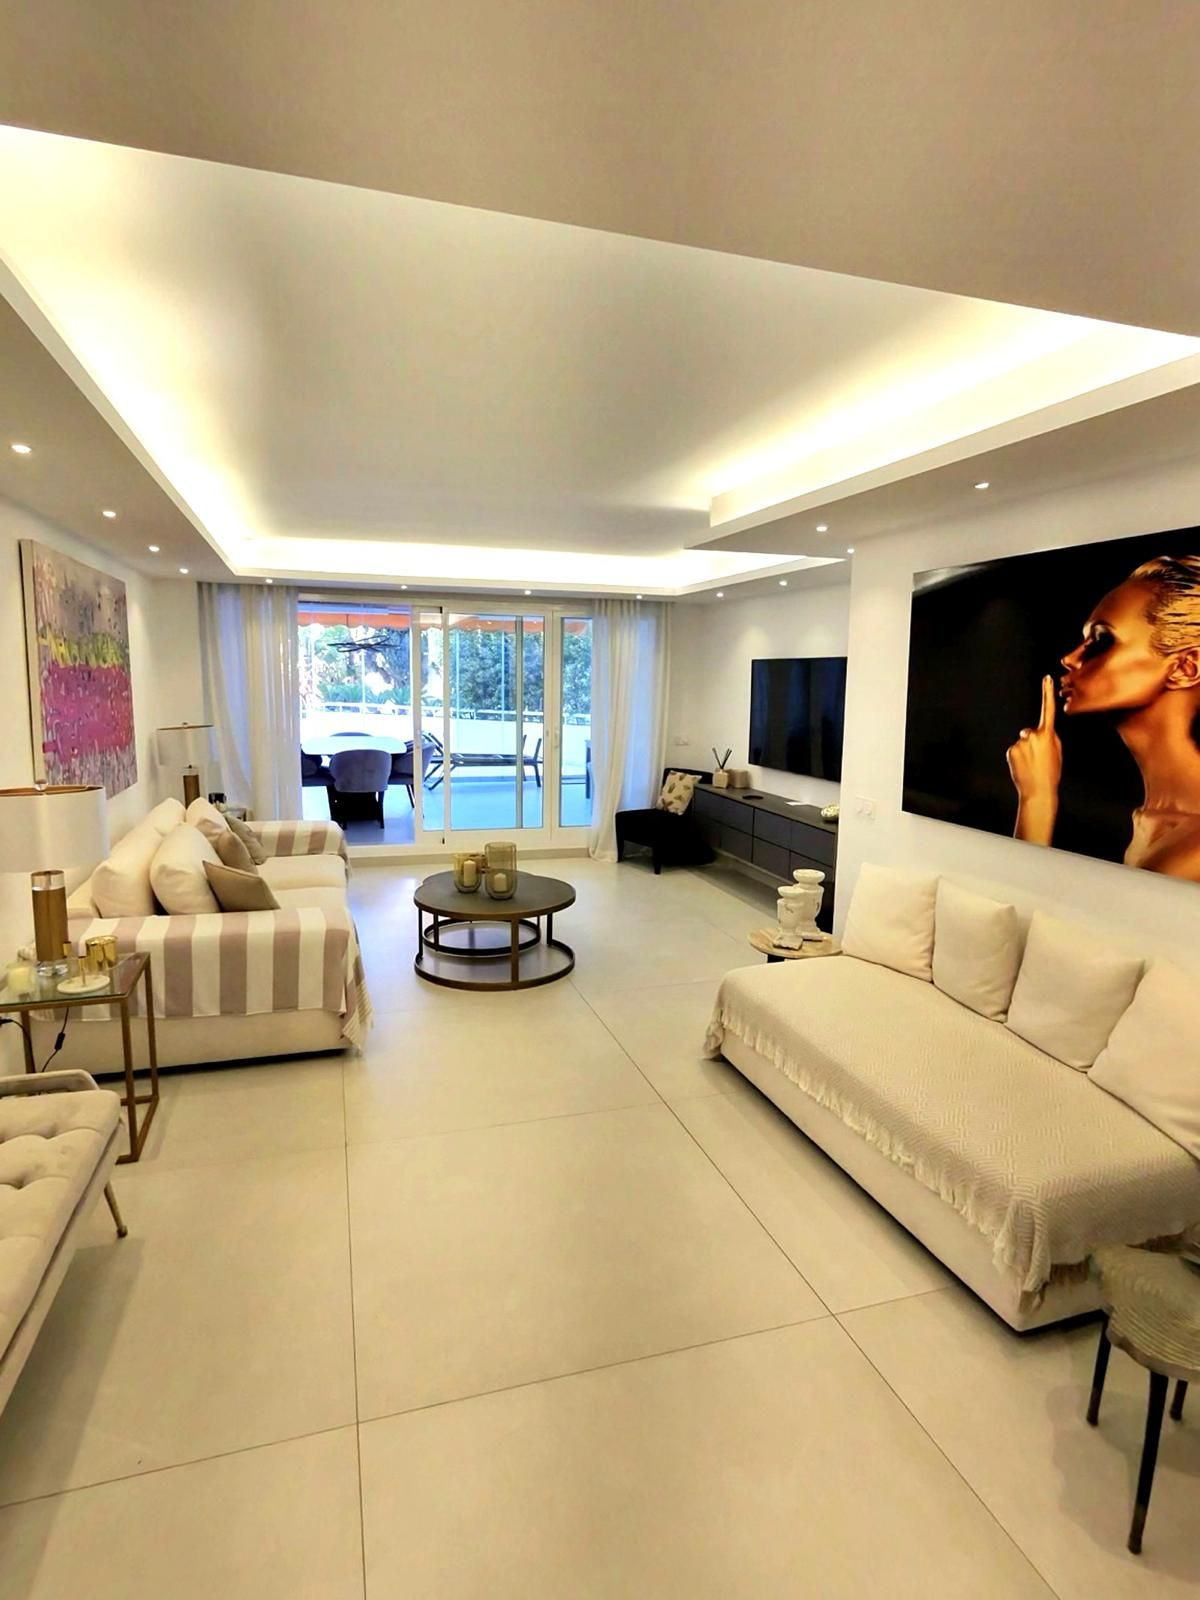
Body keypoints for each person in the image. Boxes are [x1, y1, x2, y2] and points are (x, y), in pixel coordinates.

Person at [1007, 553, 1200, 879]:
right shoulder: (1148, 819)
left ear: (1185, 668)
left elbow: (1025, 900)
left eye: (1101, 640)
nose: (1070, 659)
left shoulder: (1193, 850)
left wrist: (1036, 800)